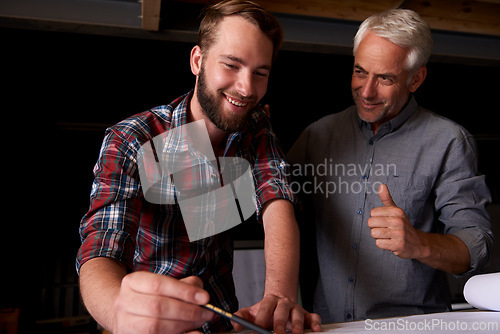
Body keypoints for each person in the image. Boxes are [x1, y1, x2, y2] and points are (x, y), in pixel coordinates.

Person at [76, 1, 321, 333]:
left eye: (260, 73)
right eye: (232, 65)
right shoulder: (135, 139)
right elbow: (102, 247)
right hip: (148, 321)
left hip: (222, 317)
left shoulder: (254, 125)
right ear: (198, 60)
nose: (247, 89)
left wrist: (279, 296)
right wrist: (120, 315)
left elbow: (276, 199)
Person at [287, 9, 493, 324]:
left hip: (414, 326)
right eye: (360, 71)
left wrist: (418, 243)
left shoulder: (448, 141)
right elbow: (260, 202)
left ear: (416, 79)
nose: (367, 91)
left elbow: (476, 247)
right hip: (328, 325)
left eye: (385, 78)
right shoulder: (317, 135)